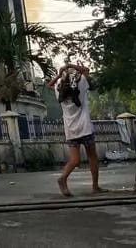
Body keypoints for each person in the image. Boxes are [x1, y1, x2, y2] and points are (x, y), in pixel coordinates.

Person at [46, 62, 106, 197]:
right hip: (85, 128)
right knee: (92, 157)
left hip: (71, 131)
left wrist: (60, 73)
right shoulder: (81, 85)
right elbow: (86, 69)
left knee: (75, 160)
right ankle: (95, 187)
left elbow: (49, 85)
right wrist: (70, 65)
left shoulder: (59, 91)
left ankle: (63, 178)